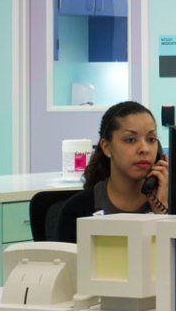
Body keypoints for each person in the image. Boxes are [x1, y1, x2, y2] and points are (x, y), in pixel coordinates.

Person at [51, 100, 168, 242]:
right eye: (131, 140)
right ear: (106, 147)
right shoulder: (78, 210)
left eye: (151, 139)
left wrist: (163, 214)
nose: (145, 149)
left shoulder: (171, 204)